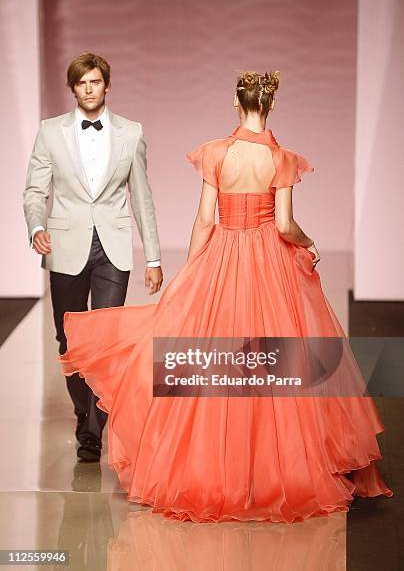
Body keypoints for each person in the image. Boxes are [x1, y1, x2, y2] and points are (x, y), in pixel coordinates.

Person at [60, 70, 392, 522]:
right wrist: (308, 242)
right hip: (271, 266)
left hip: (223, 258)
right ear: (270, 107)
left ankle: (212, 470)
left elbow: (203, 220)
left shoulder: (216, 153)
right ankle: (272, 472)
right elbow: (283, 225)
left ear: (237, 105)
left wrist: (192, 272)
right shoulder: (283, 160)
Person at [23, 52, 163, 462]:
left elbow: (143, 198)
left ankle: (93, 431)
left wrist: (153, 258)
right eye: (81, 83)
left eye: (95, 82)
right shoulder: (50, 132)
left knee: (107, 340)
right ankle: (82, 410)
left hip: (112, 247)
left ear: (106, 85)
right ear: (73, 88)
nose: (88, 89)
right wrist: (36, 227)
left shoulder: (131, 133)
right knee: (69, 338)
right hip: (65, 245)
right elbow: (34, 190)